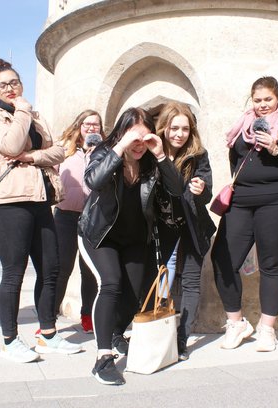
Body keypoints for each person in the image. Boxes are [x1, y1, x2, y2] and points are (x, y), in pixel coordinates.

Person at [0, 59, 82, 363]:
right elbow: (11, 145)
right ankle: (10, 341)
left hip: (39, 198)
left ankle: (47, 334)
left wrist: (32, 155)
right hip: (9, 201)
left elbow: (58, 151)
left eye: (15, 82)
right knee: (14, 272)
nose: (11, 88)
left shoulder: (36, 119)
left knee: (51, 268)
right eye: (4, 85)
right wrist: (23, 111)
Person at [78, 107, 183, 385]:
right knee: (111, 284)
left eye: (143, 137)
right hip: (99, 234)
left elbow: (176, 190)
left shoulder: (151, 161)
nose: (139, 145)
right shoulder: (104, 151)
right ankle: (103, 357)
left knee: (134, 294)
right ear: (122, 132)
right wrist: (120, 146)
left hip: (136, 238)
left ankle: (115, 333)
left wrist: (161, 154)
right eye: (133, 137)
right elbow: (93, 181)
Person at [211, 76, 278, 352]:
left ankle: (267, 329)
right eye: (258, 100)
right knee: (222, 258)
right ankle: (237, 323)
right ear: (251, 100)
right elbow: (236, 159)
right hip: (242, 201)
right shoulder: (244, 123)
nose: (263, 105)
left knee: (271, 264)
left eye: (268, 99)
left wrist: (276, 148)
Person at [155, 102, 216, 360]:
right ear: (164, 128)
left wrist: (202, 191)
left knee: (190, 283)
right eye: (174, 128)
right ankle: (158, 332)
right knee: (160, 280)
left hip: (193, 226)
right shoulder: (153, 153)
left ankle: (182, 340)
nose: (179, 134)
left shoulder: (198, 155)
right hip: (162, 228)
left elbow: (208, 194)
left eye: (185, 129)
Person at [52, 109, 105, 333]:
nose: (92, 127)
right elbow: (51, 173)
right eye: (87, 123)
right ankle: (49, 318)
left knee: (89, 270)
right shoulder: (64, 149)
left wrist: (98, 154)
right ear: (79, 125)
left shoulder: (105, 151)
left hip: (92, 217)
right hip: (65, 215)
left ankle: (87, 316)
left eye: (96, 124)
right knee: (61, 268)